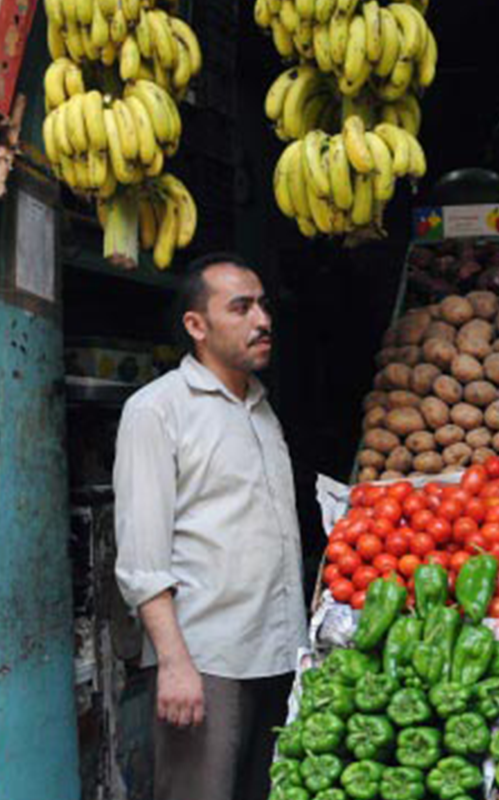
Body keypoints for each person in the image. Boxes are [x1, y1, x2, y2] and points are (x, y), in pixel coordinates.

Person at [113, 253, 307, 800]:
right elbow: (142, 560)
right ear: (196, 326)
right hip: (207, 663)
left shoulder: (262, 411)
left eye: (263, 305)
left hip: (277, 653)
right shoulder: (157, 411)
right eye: (241, 308)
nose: (262, 320)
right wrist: (174, 664)